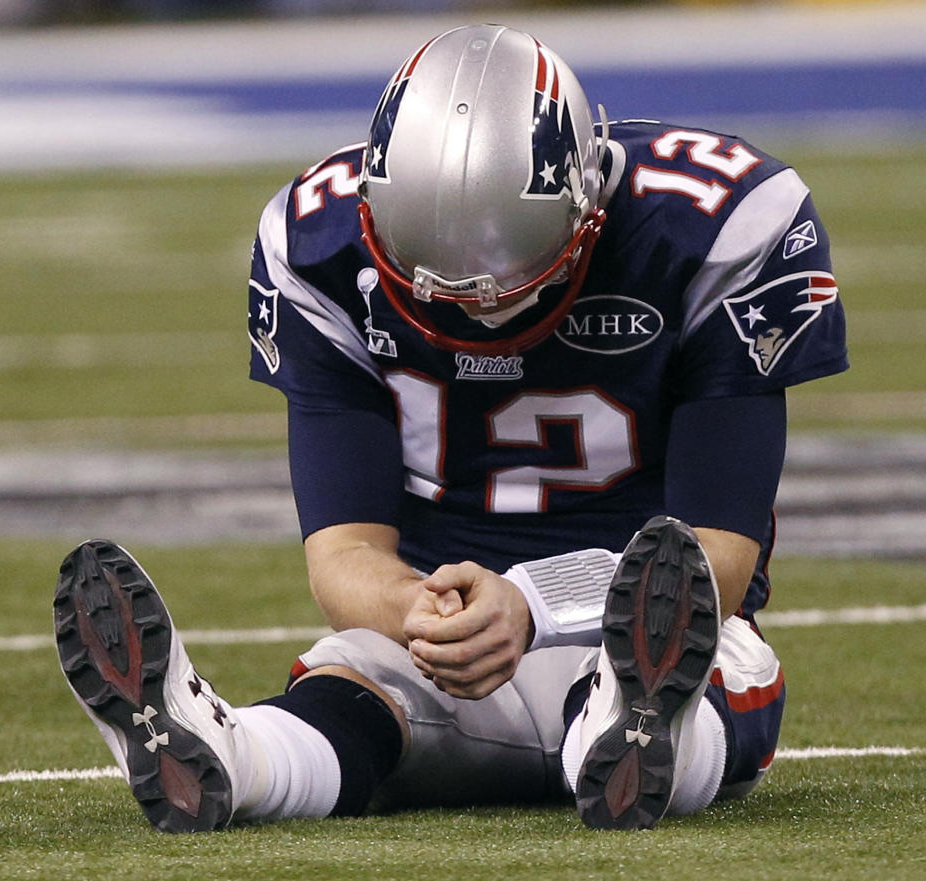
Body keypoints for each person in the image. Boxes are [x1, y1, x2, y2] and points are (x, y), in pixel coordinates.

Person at [53, 23, 847, 833]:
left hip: (651, 627)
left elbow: (717, 554)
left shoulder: (723, 224)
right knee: (351, 685)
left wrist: (530, 606)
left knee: (686, 676)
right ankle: (223, 749)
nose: (473, 310)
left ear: (588, 207)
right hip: (443, 650)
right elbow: (344, 555)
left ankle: (627, 719)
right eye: (436, 288)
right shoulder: (315, 246)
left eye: (508, 288)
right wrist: (422, 613)